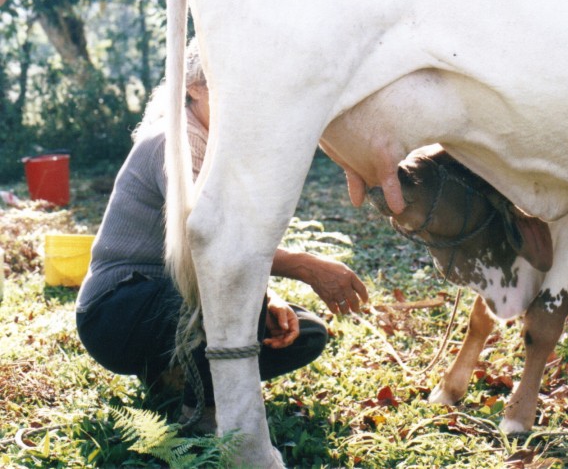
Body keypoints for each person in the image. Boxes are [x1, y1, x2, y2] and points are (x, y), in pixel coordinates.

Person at [76, 40, 368, 432]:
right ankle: (201, 416)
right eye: (228, 83)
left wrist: (269, 298)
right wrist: (304, 266)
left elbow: (233, 244)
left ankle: (174, 378)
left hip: (177, 296)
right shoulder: (174, 138)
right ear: (194, 88)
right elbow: (212, 239)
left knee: (305, 333)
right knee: (228, 294)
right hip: (117, 311)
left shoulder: (221, 145)